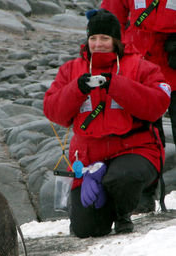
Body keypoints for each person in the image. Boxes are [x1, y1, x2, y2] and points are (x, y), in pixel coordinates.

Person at [43, 9, 170, 238]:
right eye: (93, 38)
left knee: (121, 177)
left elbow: (158, 104)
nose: (98, 44)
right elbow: (54, 112)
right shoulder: (72, 70)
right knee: (86, 229)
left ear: (116, 40)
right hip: (89, 159)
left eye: (104, 38)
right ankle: (102, 191)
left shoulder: (140, 66)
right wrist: (77, 89)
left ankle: (122, 215)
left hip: (135, 150)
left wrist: (116, 85)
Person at [101, 0, 176, 214]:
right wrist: (123, 56)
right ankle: (145, 196)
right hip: (141, 74)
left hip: (171, 65)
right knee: (145, 137)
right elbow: (108, 20)